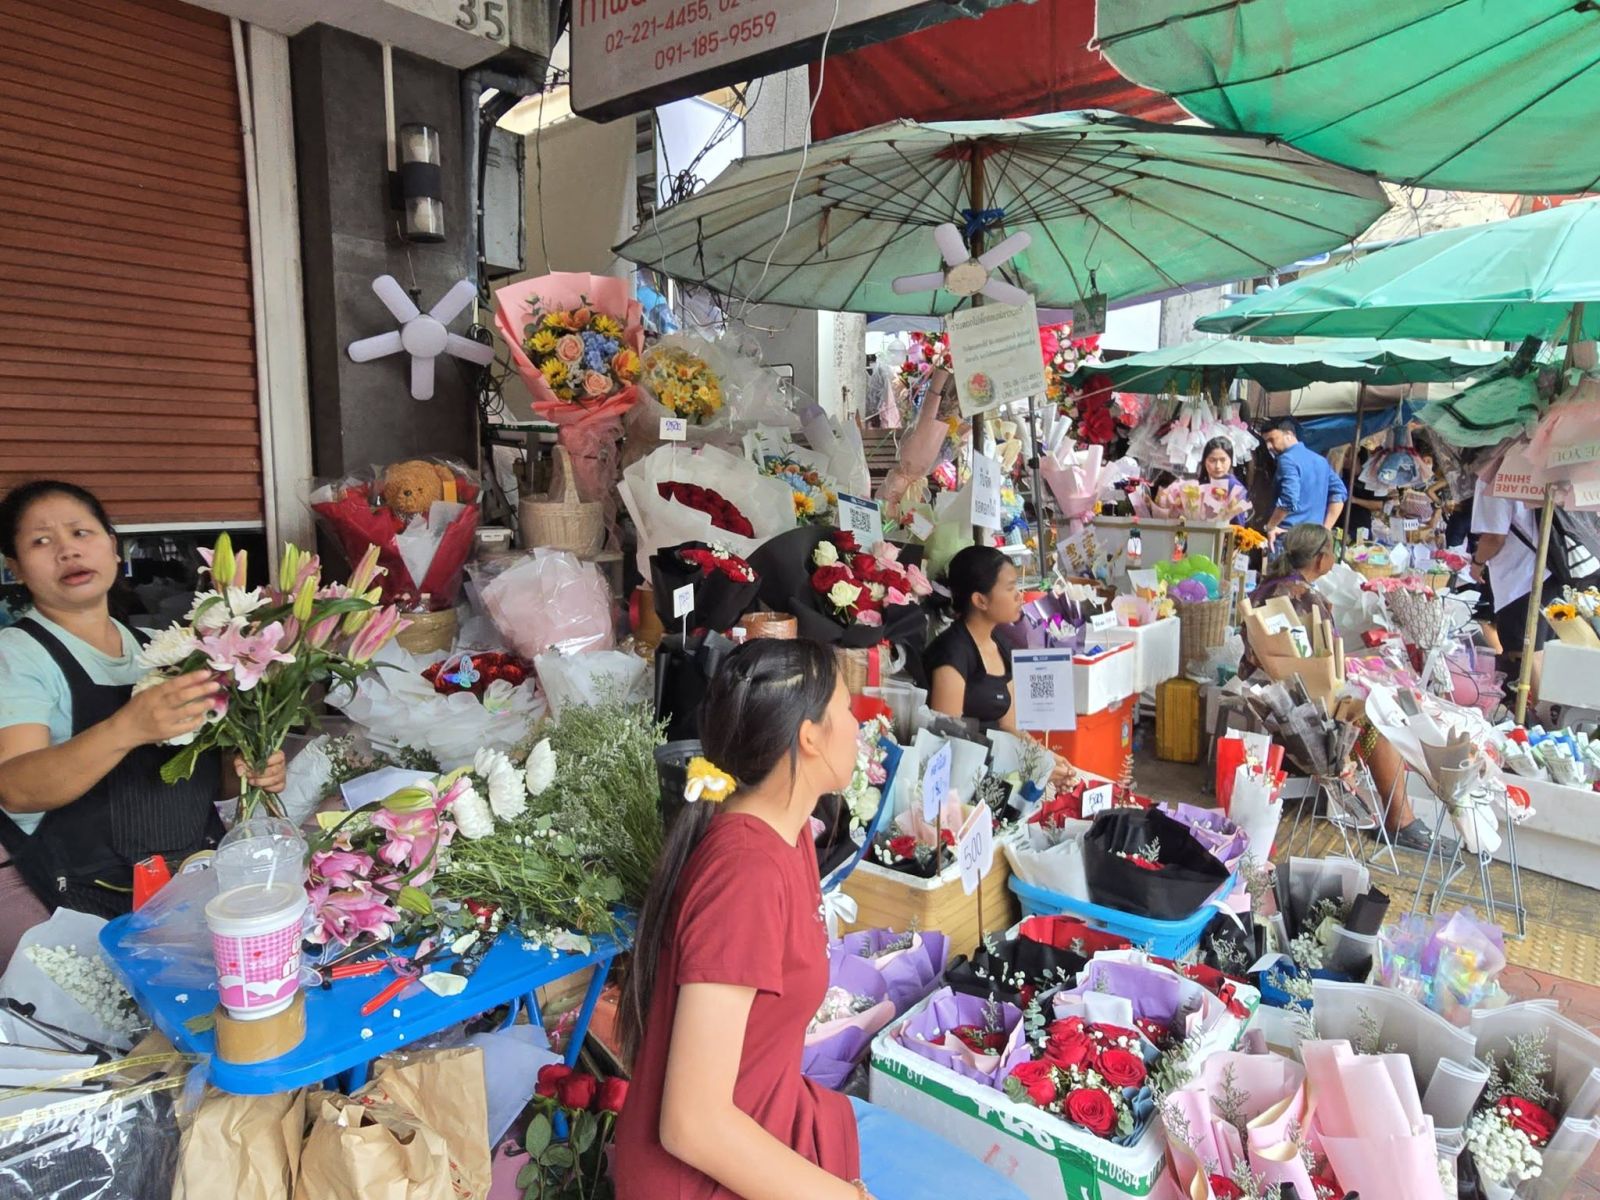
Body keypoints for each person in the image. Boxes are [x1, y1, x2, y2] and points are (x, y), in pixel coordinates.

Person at [612, 639, 1028, 1200]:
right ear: (809, 737)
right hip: (707, 1172)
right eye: (847, 710)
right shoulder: (745, 875)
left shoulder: (789, 834)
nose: (860, 727)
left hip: (775, 1113)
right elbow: (693, 1124)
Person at [0, 481, 286, 957]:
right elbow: (16, 787)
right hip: (92, 909)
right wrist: (127, 727)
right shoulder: (18, 654)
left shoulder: (157, 648)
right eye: (41, 541)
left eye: (81, 532)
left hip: (188, 887)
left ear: (113, 547)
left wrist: (248, 768)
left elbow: (198, 782)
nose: (68, 550)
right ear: (15, 568)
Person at [1243, 525, 1432, 851]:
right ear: (1321, 559)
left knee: (1369, 700)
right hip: (1294, 701)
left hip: (1267, 689)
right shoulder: (1306, 597)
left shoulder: (1265, 588)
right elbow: (1322, 664)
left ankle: (1397, 815)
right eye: (1331, 552)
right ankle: (1400, 820)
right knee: (1375, 718)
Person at [925, 547, 1080, 784]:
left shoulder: (1002, 644)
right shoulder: (952, 653)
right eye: (1010, 588)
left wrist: (1044, 758)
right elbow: (946, 740)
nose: (1019, 595)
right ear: (980, 600)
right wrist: (1028, 768)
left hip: (997, 773)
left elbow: (1008, 724)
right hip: (961, 779)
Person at [1470, 476, 1549, 699]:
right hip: (1549, 572)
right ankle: (1547, 709)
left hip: (1520, 580)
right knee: (1542, 651)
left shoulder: (1494, 476)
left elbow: (1494, 537)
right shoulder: (1536, 469)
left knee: (1526, 653)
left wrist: (1477, 562)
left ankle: (1542, 712)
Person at [1261, 417, 1347, 546]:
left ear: (1289, 434)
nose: (1269, 446)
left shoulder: (1287, 459)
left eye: (1272, 439)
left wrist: (1270, 526)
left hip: (1289, 537)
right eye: (1266, 442)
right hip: (1315, 540)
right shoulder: (1320, 460)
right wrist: (1325, 529)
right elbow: (1339, 494)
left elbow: (1289, 500)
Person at [1195, 437, 1250, 524]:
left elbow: (1238, 526)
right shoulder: (1198, 485)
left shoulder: (1235, 488)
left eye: (1223, 460)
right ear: (1204, 461)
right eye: (1212, 460)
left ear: (1231, 461)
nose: (1218, 466)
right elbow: (1185, 521)